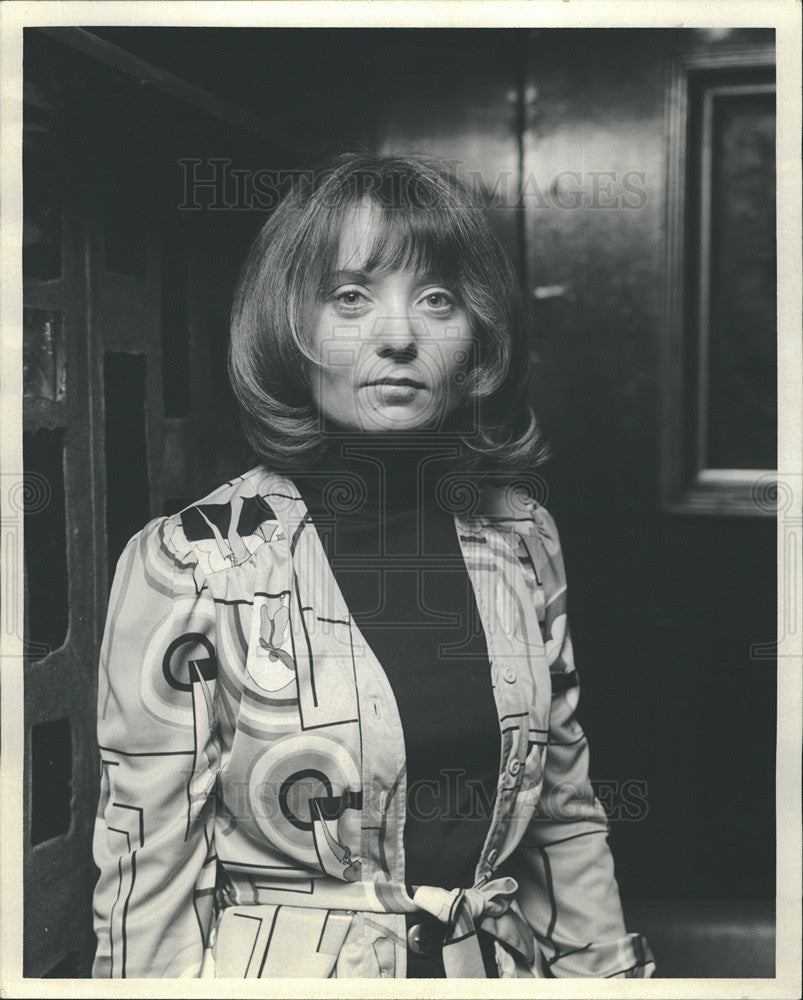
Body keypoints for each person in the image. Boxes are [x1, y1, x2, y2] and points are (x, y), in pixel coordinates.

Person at [91, 153, 655, 979]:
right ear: (292, 326)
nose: (398, 336)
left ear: (478, 337)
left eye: (437, 299)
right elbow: (146, 881)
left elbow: (563, 818)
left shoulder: (521, 535)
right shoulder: (194, 564)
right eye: (351, 297)